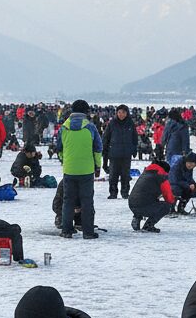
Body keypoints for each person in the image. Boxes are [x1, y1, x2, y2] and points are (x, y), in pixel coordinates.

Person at [57, 100, 102, 239]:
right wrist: (97, 166)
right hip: (86, 169)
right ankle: (88, 232)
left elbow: (59, 148)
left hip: (69, 169)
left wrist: (65, 161)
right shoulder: (90, 127)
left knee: (68, 200)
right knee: (87, 201)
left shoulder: (64, 127)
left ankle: (66, 230)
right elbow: (97, 148)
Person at [127, 160, 175, 233]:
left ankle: (137, 217)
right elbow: (169, 197)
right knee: (166, 206)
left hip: (132, 203)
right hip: (143, 205)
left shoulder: (145, 173)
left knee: (145, 199)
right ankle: (148, 225)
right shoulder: (161, 176)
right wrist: (172, 201)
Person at [102, 105, 138, 199]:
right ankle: (113, 193)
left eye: (123, 112)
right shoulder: (112, 123)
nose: (121, 114)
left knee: (125, 175)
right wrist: (105, 149)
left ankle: (125, 193)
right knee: (113, 175)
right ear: (116, 113)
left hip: (126, 154)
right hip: (114, 154)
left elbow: (135, 138)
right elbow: (106, 137)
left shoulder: (130, 124)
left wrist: (134, 149)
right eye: (119, 112)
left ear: (127, 113)